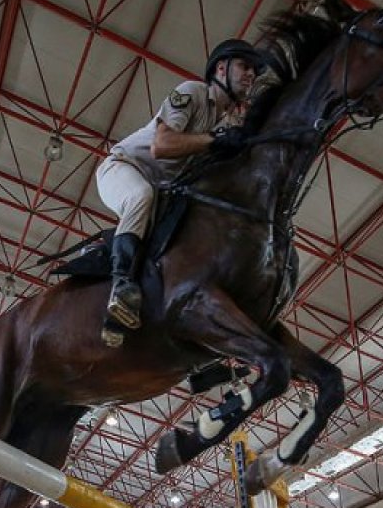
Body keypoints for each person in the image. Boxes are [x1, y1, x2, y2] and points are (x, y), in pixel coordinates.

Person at [94, 38, 266, 344]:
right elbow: (161, 146)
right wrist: (214, 141)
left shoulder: (229, 121)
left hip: (164, 191)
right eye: (245, 66)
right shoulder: (193, 92)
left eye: (254, 70)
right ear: (221, 68)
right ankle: (121, 287)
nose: (251, 74)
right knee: (139, 196)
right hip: (123, 168)